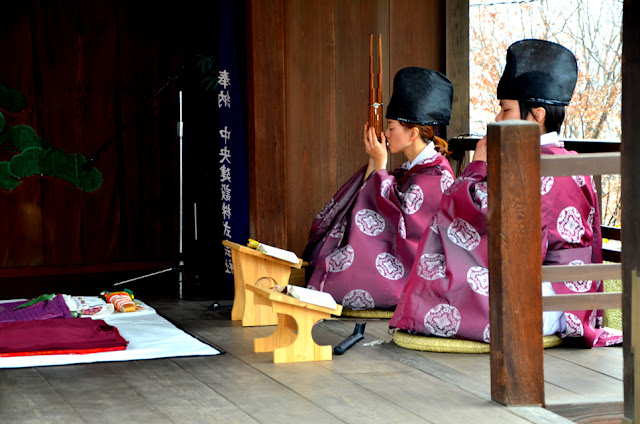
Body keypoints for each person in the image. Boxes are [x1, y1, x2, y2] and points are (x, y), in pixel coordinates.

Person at [390, 39, 622, 347]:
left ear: (536, 116)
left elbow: (472, 216)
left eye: (505, 109)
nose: (497, 119)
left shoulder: (530, 166)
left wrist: (478, 166)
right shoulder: (568, 162)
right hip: (566, 299)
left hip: (538, 302)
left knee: (441, 298)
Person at [302, 67, 455, 311]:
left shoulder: (437, 173)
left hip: (416, 269)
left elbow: (408, 224)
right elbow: (381, 197)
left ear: (412, 133)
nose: (386, 133)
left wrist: (382, 166)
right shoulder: (413, 168)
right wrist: (375, 163)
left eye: (392, 127)